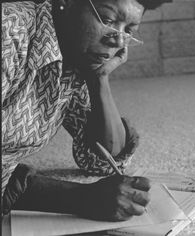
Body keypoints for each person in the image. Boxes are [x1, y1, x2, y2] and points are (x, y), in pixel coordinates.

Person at [2, 0, 169, 221]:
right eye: (108, 20)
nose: (118, 40)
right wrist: (80, 198)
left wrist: (99, 78)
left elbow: (101, 159)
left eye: (129, 30)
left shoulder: (74, 54)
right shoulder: (9, 30)